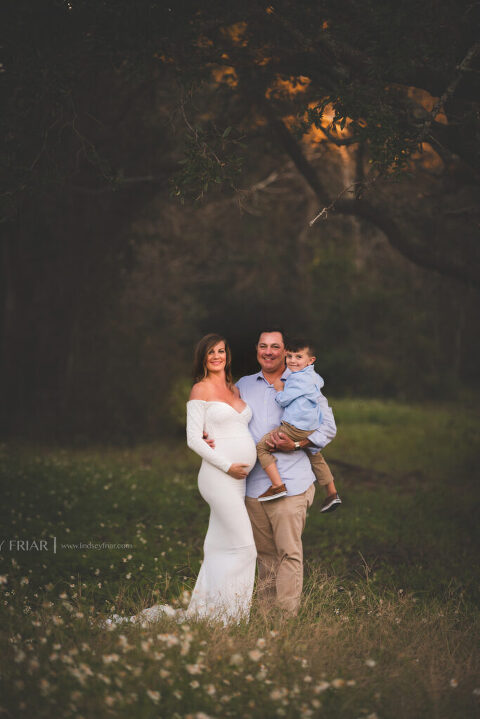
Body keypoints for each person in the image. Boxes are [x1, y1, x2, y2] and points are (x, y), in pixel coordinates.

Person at [235, 329, 337, 614]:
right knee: (265, 557)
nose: (269, 351)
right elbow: (226, 420)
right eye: (263, 346)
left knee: (289, 554)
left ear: (285, 352)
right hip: (253, 486)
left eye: (275, 347)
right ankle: (265, 618)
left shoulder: (303, 381)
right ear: (257, 349)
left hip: (292, 484)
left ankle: (286, 623)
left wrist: (298, 443)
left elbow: (328, 426)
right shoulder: (243, 385)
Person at [184, 333, 258, 624]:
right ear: (203, 357)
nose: (217, 356)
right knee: (245, 548)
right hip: (218, 477)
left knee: (217, 547)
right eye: (210, 352)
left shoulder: (234, 389)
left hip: (239, 481)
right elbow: (193, 439)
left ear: (227, 355)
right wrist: (227, 466)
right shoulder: (199, 389)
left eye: (221, 351)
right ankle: (230, 617)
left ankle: (205, 613)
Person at [255, 338, 341, 510]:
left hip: (294, 428)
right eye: (290, 356)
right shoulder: (314, 377)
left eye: (298, 357)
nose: (293, 361)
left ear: (311, 360)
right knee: (316, 456)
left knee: (262, 447)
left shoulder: (296, 379)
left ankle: (277, 485)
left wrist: (279, 389)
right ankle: (332, 493)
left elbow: (284, 400)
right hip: (310, 429)